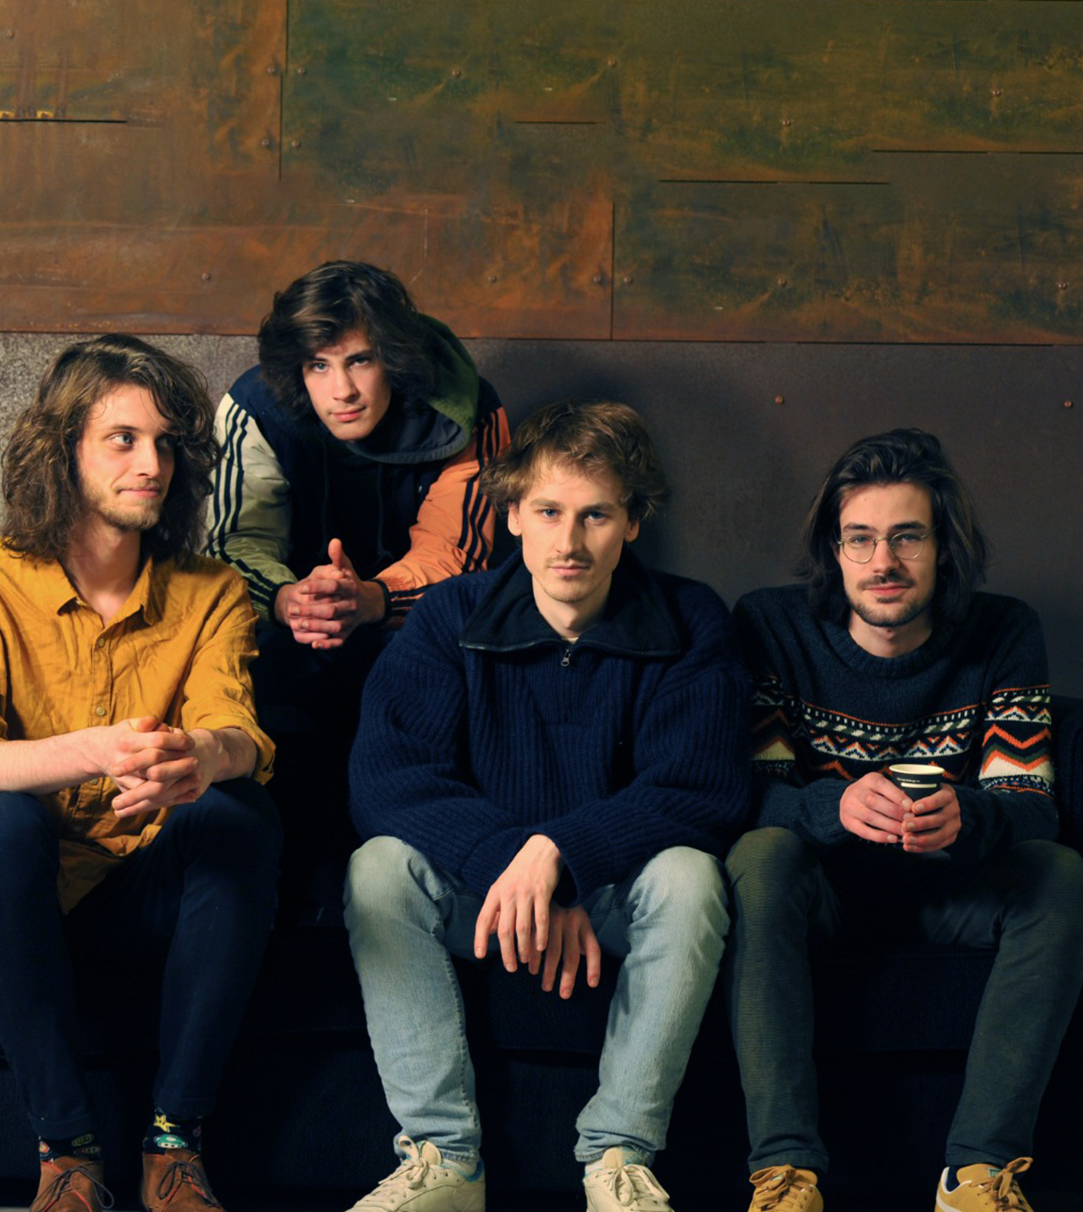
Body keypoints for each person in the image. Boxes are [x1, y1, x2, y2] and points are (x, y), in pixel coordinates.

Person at [341, 400, 750, 1212]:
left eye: (596, 515)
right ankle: (443, 1160)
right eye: (550, 512)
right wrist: (517, 863)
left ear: (632, 523)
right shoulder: (449, 617)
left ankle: (619, 1159)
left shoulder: (690, 617)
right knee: (377, 869)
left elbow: (702, 788)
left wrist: (560, 857)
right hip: (484, 895)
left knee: (693, 877)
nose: (570, 542)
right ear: (514, 515)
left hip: (614, 897)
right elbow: (386, 779)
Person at [0, 336, 281, 1212]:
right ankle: (66, 1155)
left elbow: (240, 730)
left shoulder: (211, 590)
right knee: (3, 818)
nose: (152, 465)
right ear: (61, 448)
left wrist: (203, 757)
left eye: (166, 444)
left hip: (136, 890)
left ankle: (173, 1146)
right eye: (123, 439)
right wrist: (101, 748)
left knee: (236, 811)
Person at [724, 428, 1083, 1212]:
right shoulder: (774, 627)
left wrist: (969, 815)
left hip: (950, 886)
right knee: (760, 854)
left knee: (1059, 872)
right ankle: (785, 1176)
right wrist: (835, 804)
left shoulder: (1001, 632)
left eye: (907, 537)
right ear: (834, 551)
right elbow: (745, 795)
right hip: (821, 887)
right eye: (860, 539)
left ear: (944, 547)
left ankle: (979, 1175)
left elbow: (1033, 807)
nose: (882, 561)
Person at [206, 259, 508, 877]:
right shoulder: (254, 405)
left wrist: (372, 599)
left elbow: (458, 556)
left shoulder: (468, 406)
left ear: (392, 357)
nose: (340, 390)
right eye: (319, 365)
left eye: (359, 361)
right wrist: (291, 600)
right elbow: (235, 543)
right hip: (291, 626)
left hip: (417, 629)